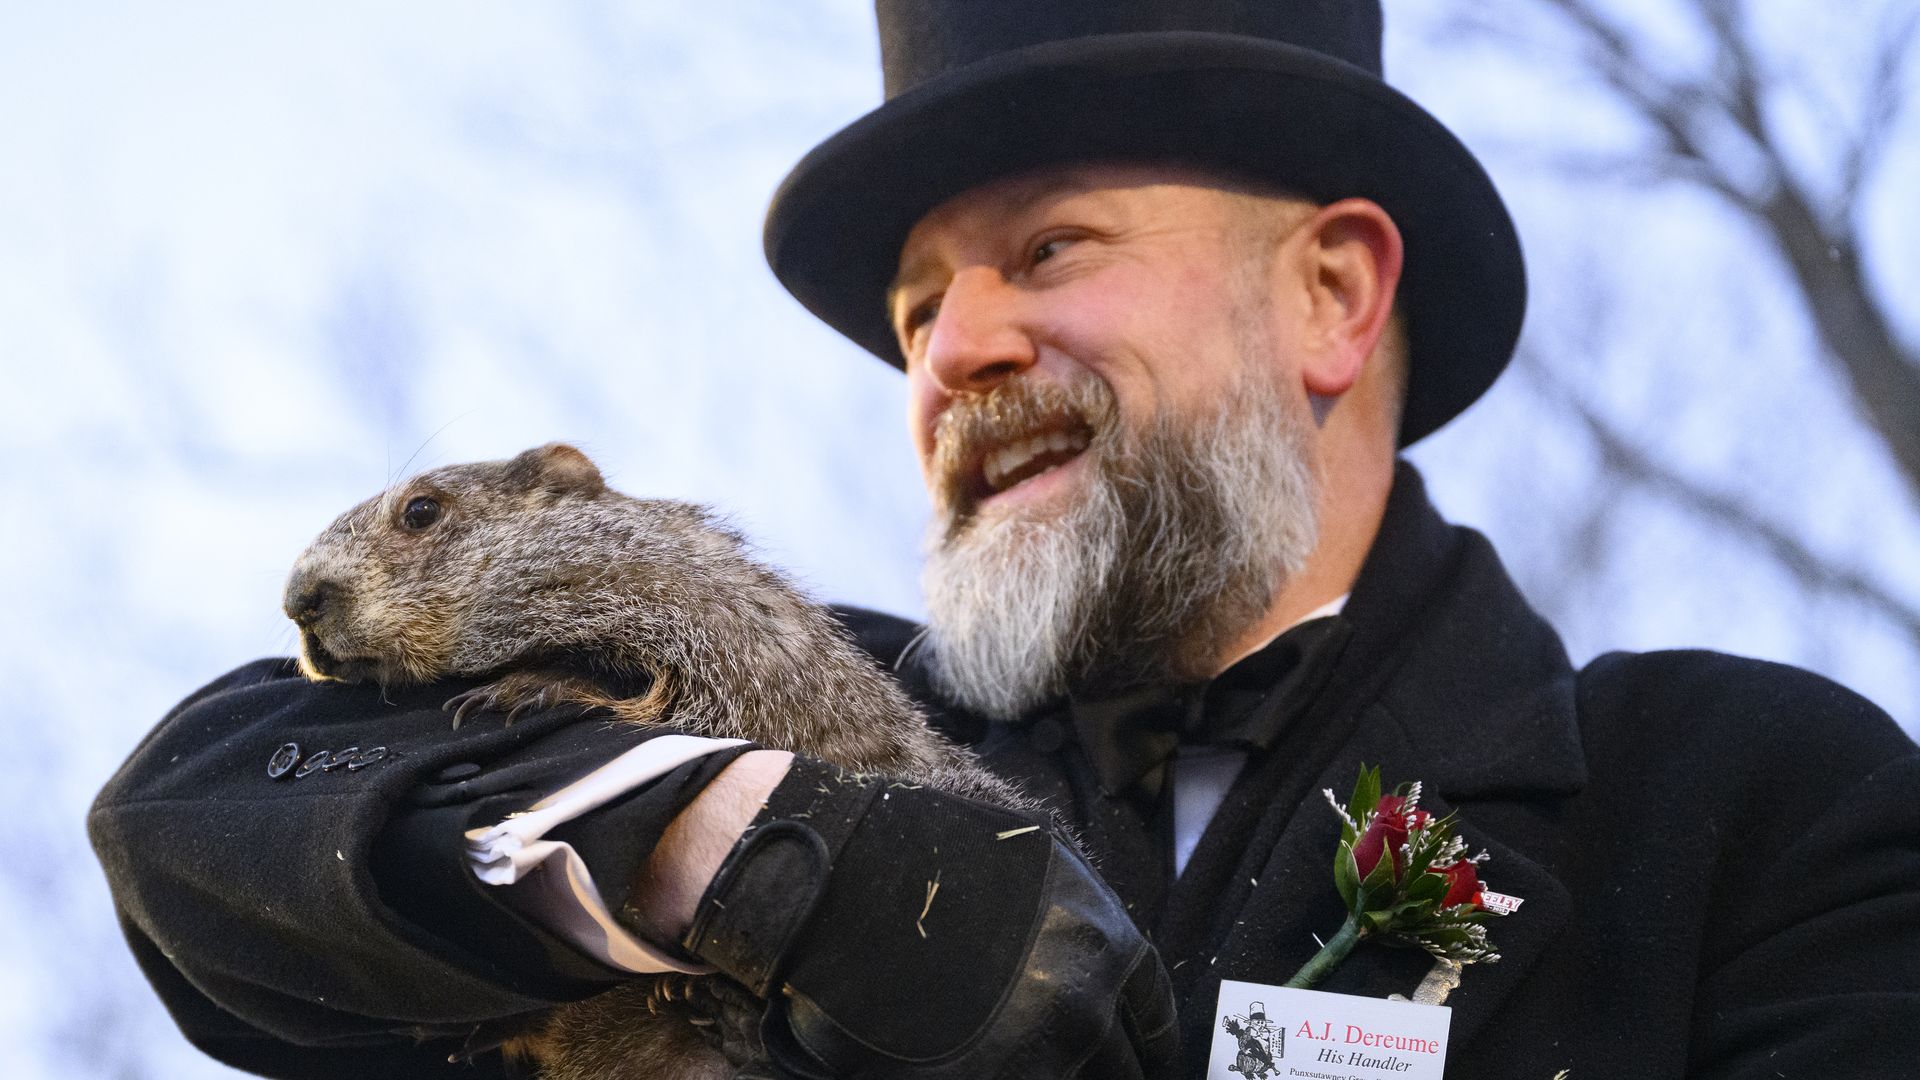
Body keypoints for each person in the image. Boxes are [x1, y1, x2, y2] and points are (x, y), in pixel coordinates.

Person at [92, 2, 1920, 1078]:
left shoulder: (1751, 800)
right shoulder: (835, 708)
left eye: (1050, 251)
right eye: (915, 315)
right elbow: (203, 808)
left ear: (1334, 297)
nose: (958, 349)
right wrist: (732, 845)